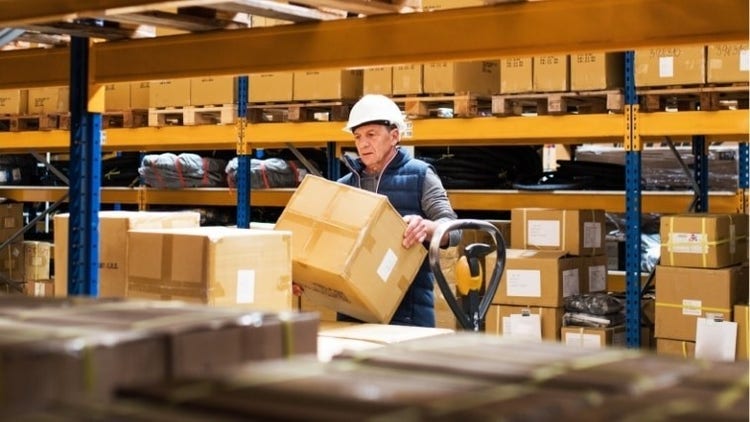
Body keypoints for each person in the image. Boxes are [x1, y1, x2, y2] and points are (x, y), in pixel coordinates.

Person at [335, 94, 460, 327]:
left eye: (371, 134)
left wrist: (426, 227)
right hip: (353, 313)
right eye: (358, 137)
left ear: (394, 136)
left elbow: (453, 230)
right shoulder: (344, 187)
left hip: (407, 314)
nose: (363, 143)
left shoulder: (420, 175)